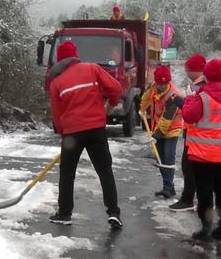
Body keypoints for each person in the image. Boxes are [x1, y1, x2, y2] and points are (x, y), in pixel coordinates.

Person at [48, 41, 124, 229]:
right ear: (75, 55)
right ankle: (113, 212)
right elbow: (115, 89)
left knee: (67, 174)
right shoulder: (92, 68)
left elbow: (57, 114)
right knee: (105, 171)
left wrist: (62, 131)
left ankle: (65, 213)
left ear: (59, 59)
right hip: (96, 129)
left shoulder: (56, 82)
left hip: (72, 133)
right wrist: (112, 103)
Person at [183, 58, 221, 242]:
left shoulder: (202, 97)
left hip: (202, 155)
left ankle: (206, 229)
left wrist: (190, 98)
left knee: (205, 192)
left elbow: (189, 116)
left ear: (206, 74)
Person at [168, 53, 207, 211]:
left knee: (190, 168)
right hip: (202, 135)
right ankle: (194, 199)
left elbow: (192, 111)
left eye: (187, 69)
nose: (186, 72)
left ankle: (189, 199)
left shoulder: (199, 87)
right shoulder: (202, 85)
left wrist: (177, 100)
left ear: (195, 70)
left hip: (197, 134)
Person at [140, 65, 183, 198]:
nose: (163, 86)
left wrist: (156, 136)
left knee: (168, 157)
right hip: (157, 127)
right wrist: (142, 109)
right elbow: (146, 98)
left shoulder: (173, 96)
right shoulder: (153, 87)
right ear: (156, 82)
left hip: (172, 129)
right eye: (160, 83)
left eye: (165, 83)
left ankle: (167, 188)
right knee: (160, 158)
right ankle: (169, 186)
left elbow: (166, 120)